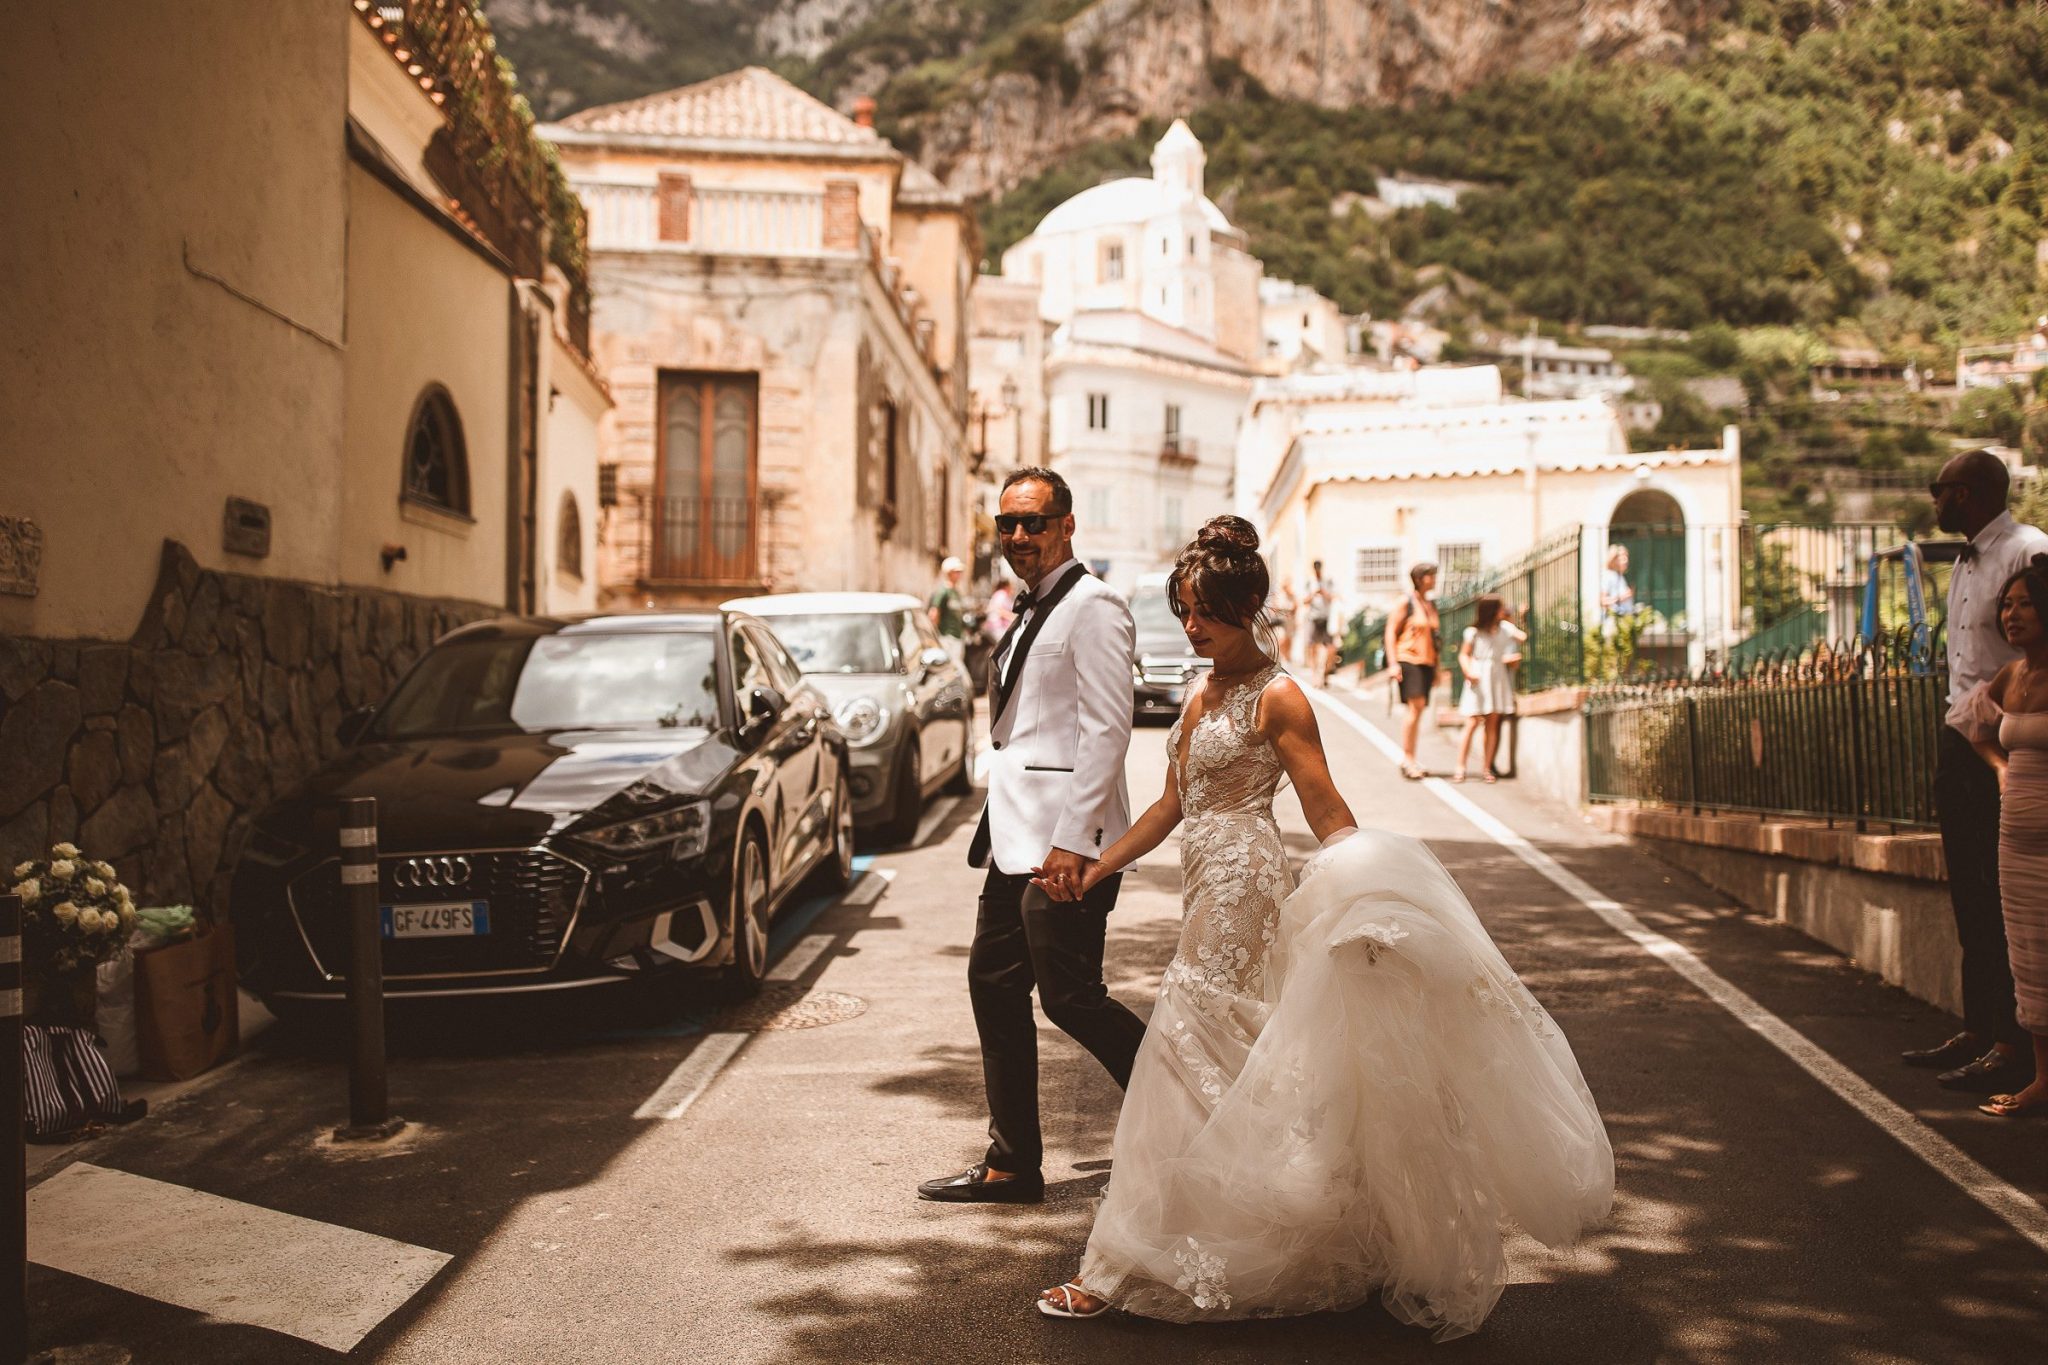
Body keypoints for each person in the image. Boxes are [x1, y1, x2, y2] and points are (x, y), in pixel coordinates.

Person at [1030, 516, 1612, 1332]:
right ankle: (1277, 1229)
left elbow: (1328, 810)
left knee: (1176, 1045)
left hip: (1247, 888)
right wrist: (1098, 866)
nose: (1190, 626)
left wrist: (1368, 901)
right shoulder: (1202, 692)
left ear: (1248, 605)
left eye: (1204, 611)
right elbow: (1170, 805)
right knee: (1234, 1057)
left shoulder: (1280, 695)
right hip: (1204, 883)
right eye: (1183, 610)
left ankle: (1114, 1262)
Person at [919, 468, 1146, 1206]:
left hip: (1066, 845)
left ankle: (1193, 1120)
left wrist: (1076, 842)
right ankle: (1011, 1162)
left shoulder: (1095, 606)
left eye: (1035, 522)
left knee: (1071, 997)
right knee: (993, 983)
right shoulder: (1028, 608)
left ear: (1067, 524)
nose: (1020, 536)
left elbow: (1109, 733)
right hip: (1012, 838)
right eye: (1007, 524)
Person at [1904, 449, 2048, 1094]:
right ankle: (1979, 1025)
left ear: (1964, 494)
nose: (1933, 501)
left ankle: (2014, 1042)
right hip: (1961, 736)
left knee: (2005, 894)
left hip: (2014, 742)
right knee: (1967, 883)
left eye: (1940, 490)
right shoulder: (1966, 560)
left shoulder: (2026, 549)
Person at [1950, 556, 2048, 1117]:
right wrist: (2000, 767)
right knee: (2029, 956)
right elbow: (1967, 722)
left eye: (2026, 603)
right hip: (2017, 841)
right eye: (2006, 605)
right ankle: (2042, 1079)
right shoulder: (2011, 675)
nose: (2011, 615)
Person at [1453, 595, 1527, 783]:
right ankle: (1460, 766)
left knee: (1492, 724)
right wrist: (1468, 672)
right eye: (1501, 608)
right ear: (1493, 610)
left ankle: (1486, 768)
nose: (1504, 610)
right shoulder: (1473, 632)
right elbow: (1464, 655)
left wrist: (1516, 618)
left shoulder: (1504, 628)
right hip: (1478, 675)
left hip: (1496, 676)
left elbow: (1522, 637)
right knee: (1471, 722)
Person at [1387, 561, 1441, 780]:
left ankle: (1411, 756)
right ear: (1419, 579)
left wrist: (1437, 668)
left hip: (1427, 661)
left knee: (1418, 710)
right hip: (1408, 658)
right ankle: (1407, 759)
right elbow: (1390, 632)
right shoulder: (1406, 602)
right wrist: (1392, 663)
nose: (1434, 579)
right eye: (1430, 575)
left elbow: (1435, 640)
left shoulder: (1430, 605)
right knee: (1415, 707)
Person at [929, 556, 968, 666]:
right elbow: (934, 613)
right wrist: (937, 636)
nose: (959, 575)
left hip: (958, 636)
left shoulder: (956, 592)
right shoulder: (943, 592)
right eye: (957, 572)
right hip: (947, 637)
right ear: (949, 573)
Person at [1304, 561, 1338, 685]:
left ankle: (1325, 672)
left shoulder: (1328, 580)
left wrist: (1324, 593)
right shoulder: (1309, 582)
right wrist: (1313, 594)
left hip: (1326, 618)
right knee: (1312, 647)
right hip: (1313, 617)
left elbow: (1335, 597)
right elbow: (1304, 601)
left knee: (1331, 648)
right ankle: (1315, 676)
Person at [1599, 546, 1635, 636]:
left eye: (1626, 557)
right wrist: (1622, 597)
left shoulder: (1620, 577)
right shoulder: (1608, 576)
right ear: (1613, 560)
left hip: (1623, 624)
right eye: (1622, 558)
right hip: (1613, 624)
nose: (1626, 561)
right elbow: (1603, 601)